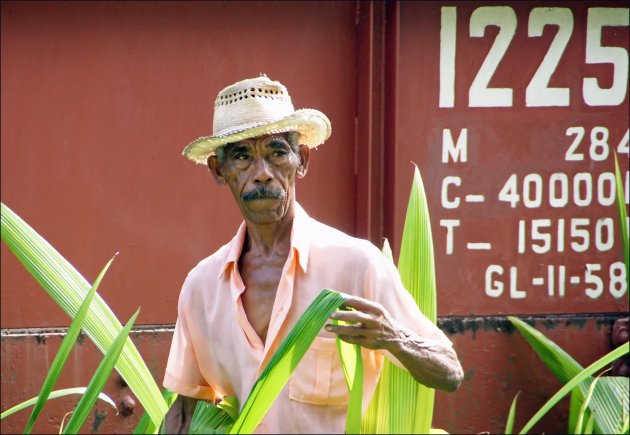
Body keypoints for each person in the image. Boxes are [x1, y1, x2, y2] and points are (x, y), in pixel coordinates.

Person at [163, 75, 463, 433]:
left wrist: (393, 337)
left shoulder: (356, 265)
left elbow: (450, 372)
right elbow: (183, 414)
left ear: (301, 160)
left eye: (276, 153)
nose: (262, 174)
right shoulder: (202, 287)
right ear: (219, 170)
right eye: (242, 157)